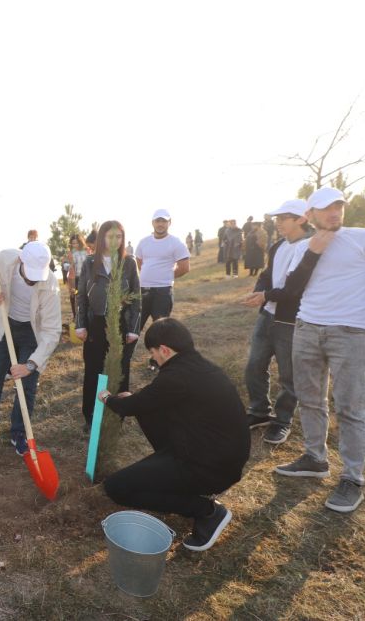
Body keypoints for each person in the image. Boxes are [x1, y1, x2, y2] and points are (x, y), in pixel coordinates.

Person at [274, 187, 365, 513]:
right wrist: (314, 252)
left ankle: (353, 478)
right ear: (310, 216)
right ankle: (316, 458)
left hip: (350, 332)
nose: (333, 212)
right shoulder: (303, 246)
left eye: (338, 206)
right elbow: (290, 293)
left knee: (351, 407)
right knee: (310, 399)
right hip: (306, 330)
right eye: (325, 208)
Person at [97, 318, 249, 552]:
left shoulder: (176, 376)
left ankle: (206, 511)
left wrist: (108, 398)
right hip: (217, 456)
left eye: (153, 353)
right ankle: (180, 477)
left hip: (208, 467)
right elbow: (148, 401)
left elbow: (130, 406)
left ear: (165, 350)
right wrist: (135, 402)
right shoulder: (197, 367)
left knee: (117, 487)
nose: (153, 359)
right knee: (148, 410)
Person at [0, 242, 62, 455]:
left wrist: (31, 364)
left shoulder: (50, 286)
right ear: (21, 261)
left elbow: (52, 331)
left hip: (31, 332)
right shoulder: (6, 258)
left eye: (38, 275)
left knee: (26, 383)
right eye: (30, 274)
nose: (33, 279)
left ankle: (19, 431)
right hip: (6, 324)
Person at [240, 199, 311, 445]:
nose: (277, 223)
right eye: (277, 218)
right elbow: (267, 274)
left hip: (292, 321)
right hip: (267, 314)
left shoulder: (311, 247)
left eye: (283, 218)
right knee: (254, 366)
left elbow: (295, 289)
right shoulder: (278, 246)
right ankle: (259, 411)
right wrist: (258, 292)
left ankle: (282, 421)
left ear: (301, 219)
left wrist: (265, 295)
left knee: (288, 375)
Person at [75, 221, 141, 430]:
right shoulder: (89, 262)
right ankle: (91, 416)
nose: (114, 241)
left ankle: (117, 416)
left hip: (120, 323)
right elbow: (81, 298)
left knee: (120, 370)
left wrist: (133, 328)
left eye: (118, 237)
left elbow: (136, 298)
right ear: (102, 237)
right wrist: (80, 325)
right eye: (110, 236)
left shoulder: (129, 263)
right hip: (96, 322)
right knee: (93, 369)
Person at [133, 209, 190, 370]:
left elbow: (184, 267)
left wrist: (165, 277)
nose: (160, 224)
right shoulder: (144, 242)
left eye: (164, 221)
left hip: (163, 292)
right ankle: (126, 355)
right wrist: (148, 275)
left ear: (169, 223)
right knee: (135, 324)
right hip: (143, 290)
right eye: (157, 221)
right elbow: (139, 261)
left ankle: (156, 361)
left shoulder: (176, 243)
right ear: (153, 223)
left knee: (160, 330)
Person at [66, 233, 88, 322]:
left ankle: (85, 315)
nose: (75, 245)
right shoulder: (71, 253)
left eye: (76, 243)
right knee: (74, 295)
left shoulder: (86, 251)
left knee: (84, 297)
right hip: (75, 278)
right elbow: (70, 266)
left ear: (80, 242)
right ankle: (75, 316)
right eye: (73, 243)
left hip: (85, 278)